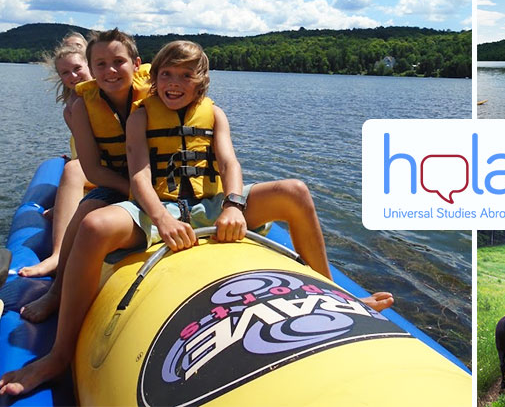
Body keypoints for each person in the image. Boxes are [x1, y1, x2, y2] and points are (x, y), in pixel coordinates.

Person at [0, 40, 394, 396]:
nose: (174, 83)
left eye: (185, 76)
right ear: (152, 79)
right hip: (165, 206)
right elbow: (138, 173)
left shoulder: (215, 114)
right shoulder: (140, 116)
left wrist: (234, 205)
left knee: (295, 192)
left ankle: (338, 296)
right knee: (93, 224)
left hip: (210, 200)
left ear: (201, 80)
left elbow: (228, 162)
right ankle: (60, 354)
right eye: (166, 75)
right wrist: (160, 217)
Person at [20, 29, 152, 323]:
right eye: (101, 64)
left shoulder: (153, 96)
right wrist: (136, 192)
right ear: (94, 70)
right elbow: (92, 168)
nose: (110, 71)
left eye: (118, 61)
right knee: (88, 208)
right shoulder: (80, 107)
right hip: (120, 181)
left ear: (136, 63)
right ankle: (57, 289)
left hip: (160, 182)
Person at [20, 33, 95, 279]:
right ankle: (58, 253)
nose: (73, 76)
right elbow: (87, 151)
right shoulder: (71, 108)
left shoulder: (110, 92)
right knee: (73, 169)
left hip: (110, 165)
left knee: (73, 170)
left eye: (77, 68)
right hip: (94, 166)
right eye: (66, 72)